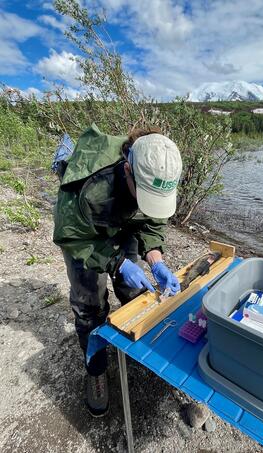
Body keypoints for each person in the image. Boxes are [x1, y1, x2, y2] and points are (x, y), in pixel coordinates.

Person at [53, 124, 182, 417]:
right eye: (144, 193)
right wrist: (116, 262)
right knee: (89, 304)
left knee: (136, 291)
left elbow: (153, 219)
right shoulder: (89, 188)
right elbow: (70, 234)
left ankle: (134, 342)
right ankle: (96, 368)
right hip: (83, 231)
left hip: (124, 222)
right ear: (127, 170)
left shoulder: (162, 170)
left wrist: (156, 259)